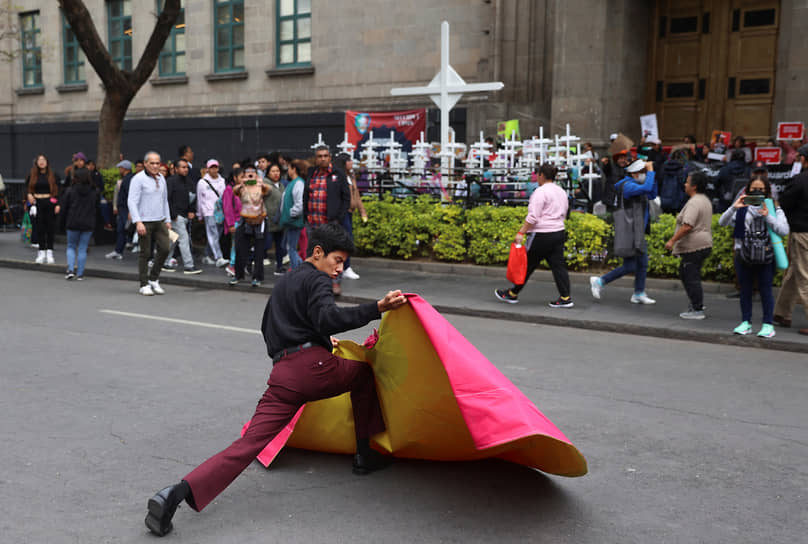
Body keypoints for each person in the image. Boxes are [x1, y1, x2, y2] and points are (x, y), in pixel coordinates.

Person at [144, 223, 407, 537]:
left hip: (282, 375)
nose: (339, 268)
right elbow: (327, 317)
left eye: (343, 263)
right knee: (364, 374)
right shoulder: (319, 279)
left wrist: (312, 340)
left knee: (247, 445)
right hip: (315, 368)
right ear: (318, 252)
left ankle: (174, 494)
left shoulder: (288, 280)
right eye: (336, 260)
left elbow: (269, 327)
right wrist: (376, 308)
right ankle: (365, 454)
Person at [719, 177, 789, 338]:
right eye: (753, 189)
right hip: (743, 254)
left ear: (767, 192)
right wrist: (733, 208)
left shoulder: (774, 209)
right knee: (745, 290)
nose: (757, 193)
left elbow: (784, 230)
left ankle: (767, 325)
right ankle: (746, 322)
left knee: (765, 291)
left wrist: (768, 216)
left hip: (766, 255)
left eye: (761, 190)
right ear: (747, 190)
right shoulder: (742, 208)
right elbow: (722, 222)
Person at [495, 163, 573, 308]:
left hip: (542, 234)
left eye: (537, 175)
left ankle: (512, 293)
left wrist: (521, 232)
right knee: (558, 266)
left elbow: (533, 217)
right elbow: (566, 210)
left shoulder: (540, 192)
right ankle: (565, 297)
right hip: (558, 231)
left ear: (541, 175)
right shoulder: (561, 191)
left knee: (528, 264)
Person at [590, 159, 658, 304]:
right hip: (630, 232)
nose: (645, 175)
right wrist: (651, 171)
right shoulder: (627, 186)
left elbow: (651, 194)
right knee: (631, 265)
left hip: (637, 232)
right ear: (634, 174)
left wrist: (652, 177)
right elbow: (647, 189)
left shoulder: (638, 184)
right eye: (643, 173)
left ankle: (639, 293)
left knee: (642, 263)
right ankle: (600, 281)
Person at [665, 171, 713, 319]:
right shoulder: (704, 199)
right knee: (689, 274)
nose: (685, 184)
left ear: (694, 186)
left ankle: (697, 308)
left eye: (687, 182)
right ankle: (696, 303)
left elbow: (687, 225)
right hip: (703, 243)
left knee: (690, 275)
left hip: (694, 246)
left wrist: (672, 240)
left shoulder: (694, 202)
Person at [303, 145, 351, 295]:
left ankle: (335, 283)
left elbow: (346, 197)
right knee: (314, 255)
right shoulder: (312, 173)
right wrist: (305, 215)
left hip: (330, 223)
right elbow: (306, 195)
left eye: (325, 156)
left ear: (330, 157)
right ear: (316, 159)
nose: (322, 159)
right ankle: (314, 284)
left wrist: (339, 219)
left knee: (333, 255)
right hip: (313, 223)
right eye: (319, 156)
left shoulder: (338, 174)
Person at [774, 144, 808, 335]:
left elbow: (785, 203)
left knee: (803, 276)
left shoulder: (800, 180)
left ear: (803, 159)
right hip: (802, 232)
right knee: (794, 273)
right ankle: (782, 313)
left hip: (802, 233)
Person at [128, 151, 172, 296]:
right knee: (145, 253)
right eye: (151, 163)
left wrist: (168, 219)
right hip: (144, 221)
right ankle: (144, 283)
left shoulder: (162, 178)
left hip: (160, 220)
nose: (155, 166)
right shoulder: (138, 179)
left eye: (157, 163)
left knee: (166, 248)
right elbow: (132, 201)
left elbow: (164, 200)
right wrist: (138, 221)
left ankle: (154, 278)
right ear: (145, 164)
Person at [230, 165, 269, 286]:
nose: (250, 176)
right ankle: (238, 275)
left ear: (257, 175)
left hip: (259, 219)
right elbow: (234, 191)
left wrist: (261, 183)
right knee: (240, 248)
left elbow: (268, 190)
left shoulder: (260, 185)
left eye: (253, 173)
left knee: (259, 251)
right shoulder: (242, 187)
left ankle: (258, 277)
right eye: (248, 174)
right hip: (245, 219)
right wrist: (242, 183)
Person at [163, 158, 201, 274]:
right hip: (176, 216)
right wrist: (172, 215)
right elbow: (166, 199)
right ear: (176, 168)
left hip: (183, 216)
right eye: (183, 167)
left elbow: (193, 197)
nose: (185, 169)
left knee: (172, 240)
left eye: (186, 167)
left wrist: (192, 210)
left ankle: (163, 262)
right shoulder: (171, 181)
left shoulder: (189, 182)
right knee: (183, 239)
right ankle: (189, 265)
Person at [333, 152, 368, 280]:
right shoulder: (338, 176)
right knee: (346, 240)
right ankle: (345, 267)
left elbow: (356, 194)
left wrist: (362, 211)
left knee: (347, 240)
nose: (351, 163)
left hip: (350, 212)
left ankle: (345, 266)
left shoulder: (351, 176)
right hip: (343, 212)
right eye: (349, 160)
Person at [60, 167, 98, 280]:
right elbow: (96, 208)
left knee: (71, 246)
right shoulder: (94, 192)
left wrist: (61, 222)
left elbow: (64, 208)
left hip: (72, 222)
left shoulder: (70, 191)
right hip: (88, 223)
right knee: (83, 248)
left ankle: (70, 269)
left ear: (75, 178)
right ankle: (80, 273)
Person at [26, 154, 61, 264]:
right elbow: (26, 187)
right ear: (36, 162)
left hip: (49, 202)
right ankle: (41, 252)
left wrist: (58, 204)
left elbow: (59, 189)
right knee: (39, 228)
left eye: (43, 160)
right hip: (37, 203)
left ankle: (49, 252)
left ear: (47, 162)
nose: (41, 162)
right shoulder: (32, 174)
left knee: (50, 228)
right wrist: (29, 195)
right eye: (39, 160)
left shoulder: (53, 174)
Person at [197, 159, 228, 267]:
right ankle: (219, 258)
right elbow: (200, 199)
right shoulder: (202, 182)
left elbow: (225, 197)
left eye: (215, 167)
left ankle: (206, 255)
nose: (214, 169)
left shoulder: (222, 181)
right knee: (213, 235)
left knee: (215, 236)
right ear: (207, 169)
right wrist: (200, 214)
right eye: (211, 167)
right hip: (208, 212)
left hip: (220, 212)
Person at [279, 159, 307, 270]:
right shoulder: (295, 182)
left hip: (293, 221)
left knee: (291, 248)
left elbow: (299, 204)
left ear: (294, 169)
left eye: (289, 168)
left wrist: (290, 214)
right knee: (288, 246)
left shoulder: (298, 183)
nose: (288, 170)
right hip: (291, 221)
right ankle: (301, 268)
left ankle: (297, 271)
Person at [106, 160, 134, 260]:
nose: (119, 170)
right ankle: (118, 250)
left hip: (125, 209)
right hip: (125, 208)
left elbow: (129, 195)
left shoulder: (127, 180)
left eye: (120, 168)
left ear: (125, 168)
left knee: (122, 229)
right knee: (122, 229)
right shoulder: (129, 178)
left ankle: (118, 250)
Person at [263, 163, 287, 275]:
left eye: (277, 171)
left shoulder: (281, 185)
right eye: (273, 171)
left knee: (280, 246)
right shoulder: (265, 184)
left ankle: (279, 266)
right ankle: (248, 261)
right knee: (265, 245)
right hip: (268, 221)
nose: (276, 173)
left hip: (280, 221)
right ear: (268, 173)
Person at [222, 167, 243, 277]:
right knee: (236, 245)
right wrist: (230, 224)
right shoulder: (229, 190)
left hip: (243, 220)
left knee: (240, 244)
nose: (244, 179)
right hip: (235, 221)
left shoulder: (243, 189)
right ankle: (232, 265)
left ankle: (238, 265)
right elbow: (227, 208)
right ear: (235, 178)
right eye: (241, 177)